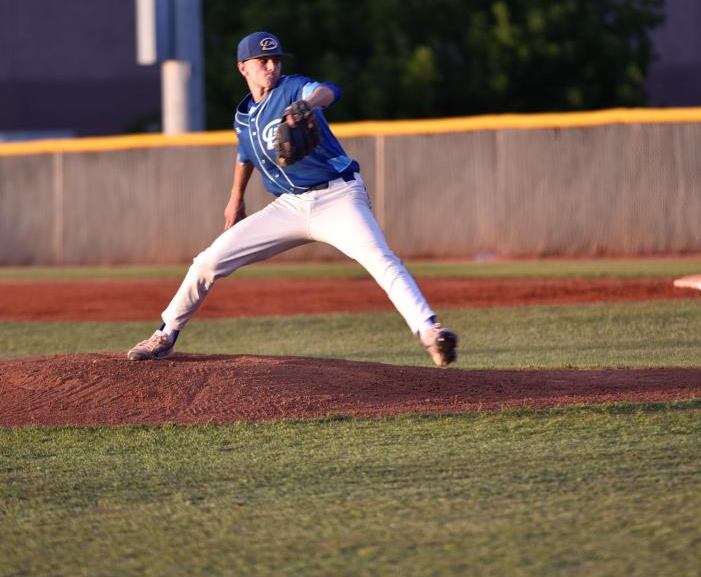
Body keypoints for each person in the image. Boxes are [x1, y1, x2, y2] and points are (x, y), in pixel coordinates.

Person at [128, 32, 458, 367]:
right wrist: (235, 200)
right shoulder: (242, 119)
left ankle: (431, 333)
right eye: (263, 61)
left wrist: (309, 104)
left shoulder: (292, 88)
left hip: (338, 196)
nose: (271, 67)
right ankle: (165, 334)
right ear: (243, 67)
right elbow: (244, 157)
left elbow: (328, 91)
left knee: (381, 259)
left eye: (276, 60)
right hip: (289, 206)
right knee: (207, 262)